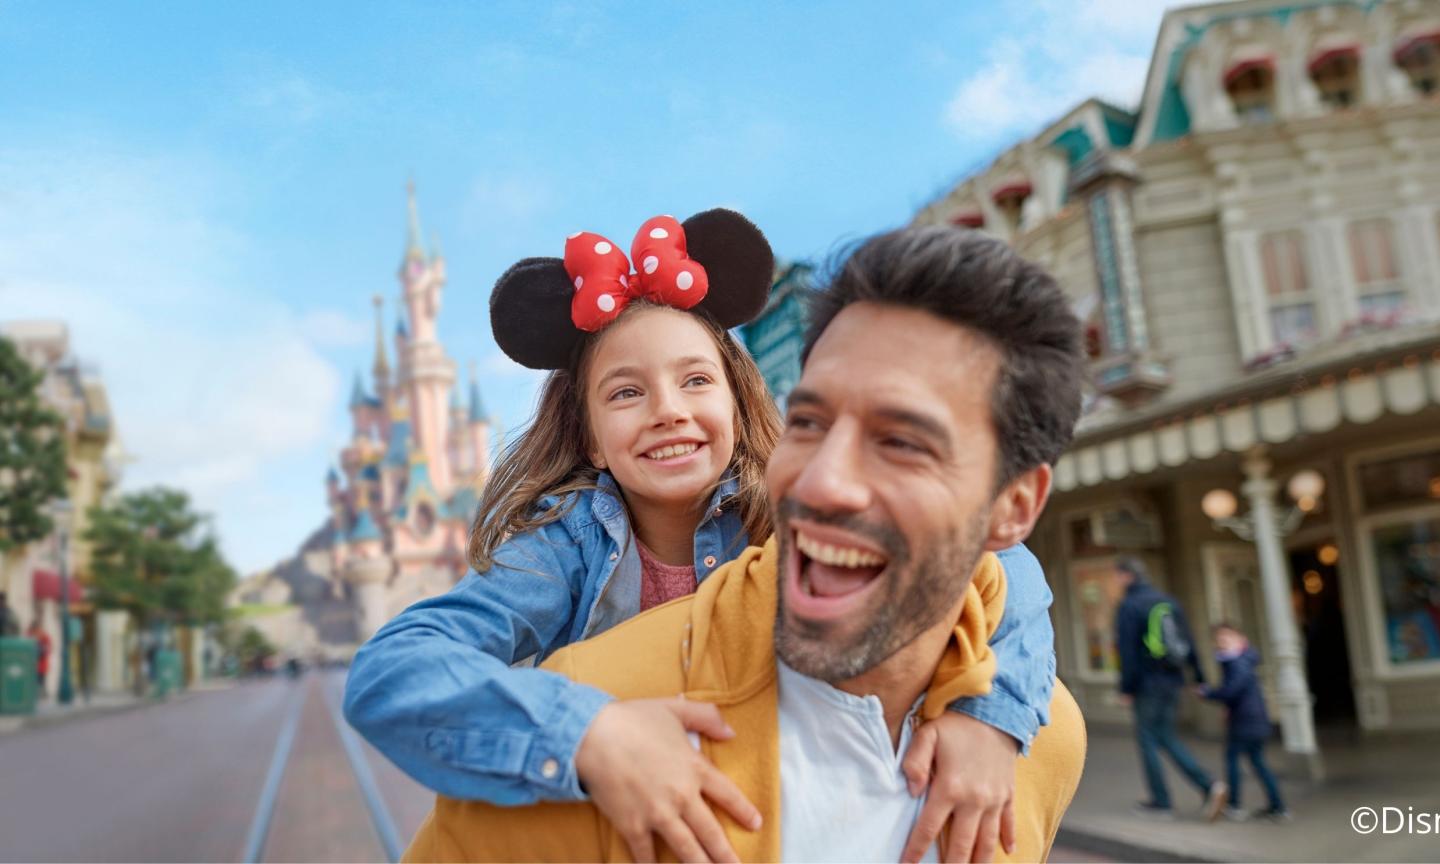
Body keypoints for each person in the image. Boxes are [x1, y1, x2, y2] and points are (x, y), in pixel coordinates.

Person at [345, 212, 1060, 863]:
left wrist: (991, 715)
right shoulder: (563, 546)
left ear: (737, 399)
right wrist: (587, 734)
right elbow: (395, 670)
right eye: (626, 393)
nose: (667, 412)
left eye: (695, 381)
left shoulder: (793, 508)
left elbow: (996, 564)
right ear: (590, 438)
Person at [1113, 557, 1227, 820]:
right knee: (1165, 735)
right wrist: (1198, 676)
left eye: (1117, 575)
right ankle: (1208, 786)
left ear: (1126, 576)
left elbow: (1127, 651)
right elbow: (1188, 640)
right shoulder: (1167, 601)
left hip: (1146, 684)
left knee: (1148, 741)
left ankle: (1164, 800)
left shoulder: (1129, 605)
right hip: (1173, 681)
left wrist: (1126, 688)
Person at [1200, 623, 1288, 822]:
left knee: (1233, 759)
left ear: (1241, 640)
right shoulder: (1241, 661)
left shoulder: (1237, 662)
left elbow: (1232, 690)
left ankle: (1235, 805)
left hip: (1246, 722)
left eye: (1227, 638)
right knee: (1258, 762)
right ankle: (1277, 807)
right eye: (1219, 639)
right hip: (1252, 720)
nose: (1222, 643)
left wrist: (1208, 693)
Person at [26, 619, 51, 698]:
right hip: (32, 664)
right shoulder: (29, 634)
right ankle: (38, 694)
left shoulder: (44, 636)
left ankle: (42, 694)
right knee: (35, 681)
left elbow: (48, 649)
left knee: (41, 681)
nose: (36, 630)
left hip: (41, 664)